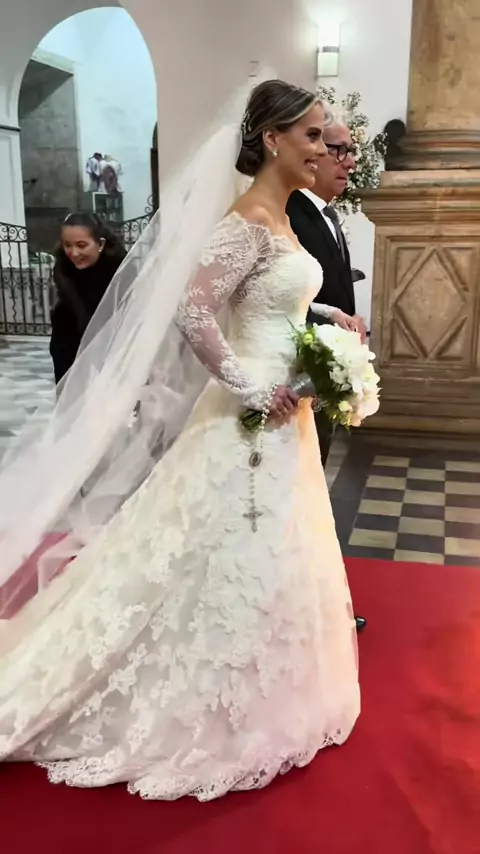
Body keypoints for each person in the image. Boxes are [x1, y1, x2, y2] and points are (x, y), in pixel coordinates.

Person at [0, 79, 359, 801]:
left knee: (271, 545)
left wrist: (323, 316)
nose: (323, 148)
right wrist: (249, 385)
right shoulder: (247, 217)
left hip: (283, 408)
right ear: (273, 139)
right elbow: (195, 312)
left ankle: (259, 677)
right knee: (228, 541)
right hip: (251, 410)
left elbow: (266, 298)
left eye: (325, 136)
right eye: (312, 135)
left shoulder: (279, 216)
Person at [286, 104, 367, 464]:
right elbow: (282, 298)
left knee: (316, 464)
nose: (350, 163)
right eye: (340, 150)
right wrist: (331, 325)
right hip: (300, 370)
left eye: (351, 151)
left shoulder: (325, 213)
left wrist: (348, 320)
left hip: (325, 366)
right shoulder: (290, 214)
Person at [49, 213, 127, 384]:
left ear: (101, 244)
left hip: (112, 345)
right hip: (68, 340)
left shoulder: (121, 269)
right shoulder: (64, 267)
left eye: (81, 245)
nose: (74, 253)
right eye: (67, 245)